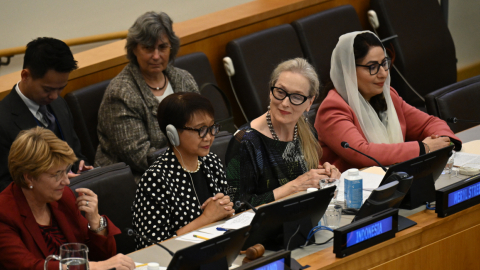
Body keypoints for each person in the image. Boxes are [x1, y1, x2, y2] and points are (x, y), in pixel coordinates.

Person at [314, 31, 462, 172]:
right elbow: (362, 153)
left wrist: (444, 140)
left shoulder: (389, 96)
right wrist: (423, 148)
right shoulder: (333, 108)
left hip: (394, 181)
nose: (383, 73)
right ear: (349, 70)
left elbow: (428, 124)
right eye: (372, 67)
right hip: (354, 190)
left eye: (384, 63)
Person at [0, 127, 135, 270]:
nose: (66, 181)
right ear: (29, 177)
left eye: (66, 171)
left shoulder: (64, 197)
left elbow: (106, 258)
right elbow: (26, 266)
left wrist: (96, 222)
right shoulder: (4, 213)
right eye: (56, 174)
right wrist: (92, 267)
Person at [225, 58, 341, 211]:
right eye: (280, 92)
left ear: (310, 102)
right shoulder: (245, 141)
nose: (285, 103)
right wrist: (294, 187)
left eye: (297, 97)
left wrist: (325, 175)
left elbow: (306, 177)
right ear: (270, 91)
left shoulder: (306, 130)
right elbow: (237, 206)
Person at [95, 11, 199, 179]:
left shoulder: (184, 79)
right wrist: (191, 159)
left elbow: (204, 128)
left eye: (163, 47)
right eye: (148, 48)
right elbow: (141, 157)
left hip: (187, 167)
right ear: (134, 49)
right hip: (141, 180)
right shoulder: (120, 94)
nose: (156, 56)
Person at [132, 93, 234, 249]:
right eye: (201, 130)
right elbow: (151, 248)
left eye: (212, 127)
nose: (208, 137)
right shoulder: (155, 180)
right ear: (173, 134)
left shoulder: (211, 162)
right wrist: (206, 218)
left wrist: (227, 210)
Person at [0, 37, 93, 192]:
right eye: (47, 89)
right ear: (25, 76)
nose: (54, 96)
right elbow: (4, 186)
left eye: (60, 88)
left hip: (73, 193)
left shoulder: (59, 104)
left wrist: (80, 166)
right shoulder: (3, 121)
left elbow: (76, 153)